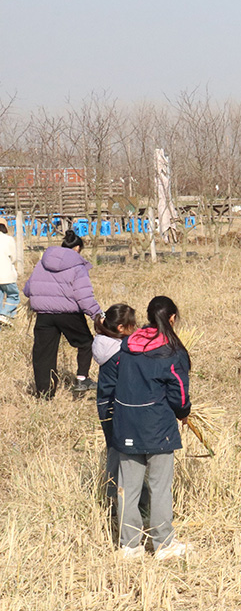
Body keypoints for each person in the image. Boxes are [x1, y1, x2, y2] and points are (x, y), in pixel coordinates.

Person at [96, 296, 192, 560]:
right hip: (157, 425)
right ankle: (164, 544)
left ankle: (129, 546)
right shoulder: (172, 351)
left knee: (128, 486)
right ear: (172, 318)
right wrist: (183, 413)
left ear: (149, 317)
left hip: (125, 423)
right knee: (159, 486)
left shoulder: (128, 344)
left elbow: (113, 383)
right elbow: (179, 395)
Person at [24, 229, 103, 398]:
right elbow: (83, 296)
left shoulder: (42, 262)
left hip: (44, 314)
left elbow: (28, 289)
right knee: (86, 343)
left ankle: (44, 394)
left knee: (43, 353)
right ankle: (82, 379)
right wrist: (97, 315)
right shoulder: (77, 265)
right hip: (69, 314)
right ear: (77, 248)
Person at [92, 303, 137, 501]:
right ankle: (114, 494)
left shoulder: (103, 344)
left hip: (104, 403)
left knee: (113, 447)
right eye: (132, 325)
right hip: (116, 405)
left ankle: (111, 493)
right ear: (121, 328)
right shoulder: (120, 354)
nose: (135, 329)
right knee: (121, 451)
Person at [0, 221, 17, 326]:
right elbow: (13, 257)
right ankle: (4, 315)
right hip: (6, 274)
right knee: (13, 295)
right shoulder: (9, 239)